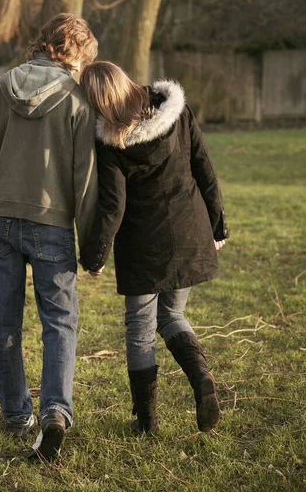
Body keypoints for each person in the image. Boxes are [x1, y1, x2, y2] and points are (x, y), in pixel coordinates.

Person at [0, 13, 98, 462]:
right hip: (53, 223)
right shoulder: (78, 99)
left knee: (3, 323)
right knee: (58, 322)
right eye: (83, 60)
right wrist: (90, 237)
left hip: (2, 218)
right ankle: (55, 412)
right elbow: (85, 178)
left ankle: (16, 414)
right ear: (71, 51)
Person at [80, 62, 229, 435]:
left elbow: (113, 206)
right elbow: (204, 168)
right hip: (189, 230)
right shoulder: (175, 112)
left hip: (143, 246)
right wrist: (218, 224)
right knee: (172, 315)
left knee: (140, 330)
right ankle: (201, 380)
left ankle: (147, 423)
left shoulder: (110, 140)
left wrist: (96, 255)